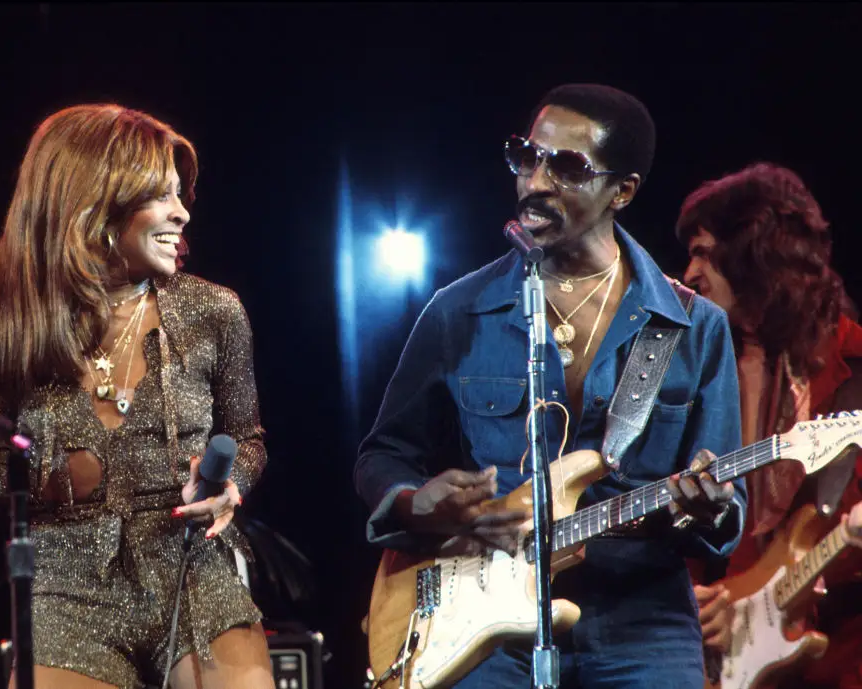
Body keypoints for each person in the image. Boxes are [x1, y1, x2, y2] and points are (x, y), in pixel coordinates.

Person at [0, 104, 275, 689]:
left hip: (190, 568)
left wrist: (232, 487)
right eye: (161, 196)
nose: (183, 212)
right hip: (67, 590)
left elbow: (248, 439)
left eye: (181, 194)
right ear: (97, 204)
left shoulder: (212, 312)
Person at [354, 83, 747, 687]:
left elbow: (727, 504)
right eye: (527, 157)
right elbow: (384, 454)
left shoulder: (694, 326)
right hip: (483, 614)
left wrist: (709, 509)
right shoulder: (459, 311)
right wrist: (417, 503)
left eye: (567, 167)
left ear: (623, 191)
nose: (535, 181)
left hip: (642, 624)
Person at [678, 162, 862, 688]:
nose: (688, 276)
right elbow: (679, 509)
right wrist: (690, 601)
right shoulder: (700, 376)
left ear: (755, 252)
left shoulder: (856, 370)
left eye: (704, 254)